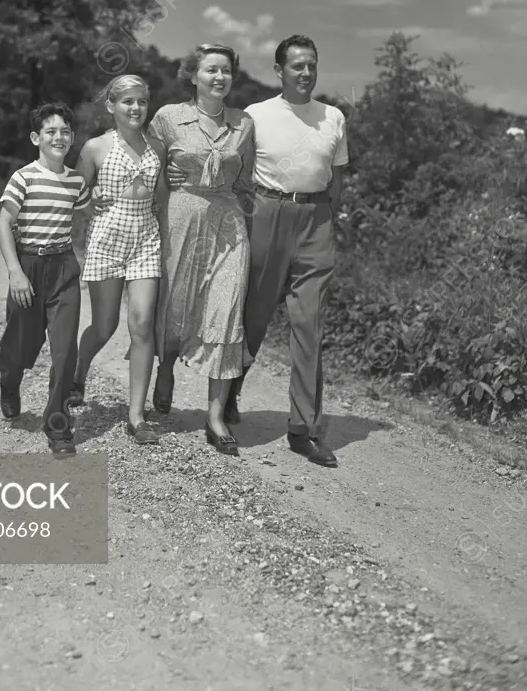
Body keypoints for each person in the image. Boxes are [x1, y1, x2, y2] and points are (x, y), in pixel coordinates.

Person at [167, 35, 347, 467]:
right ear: (280, 71)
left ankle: (303, 429)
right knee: (252, 316)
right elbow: (230, 166)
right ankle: (229, 392)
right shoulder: (256, 116)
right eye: (297, 66)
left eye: (312, 65)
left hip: (316, 219)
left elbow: (337, 179)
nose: (306, 73)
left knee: (310, 326)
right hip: (265, 213)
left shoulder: (334, 117)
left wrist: (324, 220)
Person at [147, 43, 255, 456]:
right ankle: (165, 370)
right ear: (193, 76)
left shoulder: (244, 123)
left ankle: (214, 416)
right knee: (176, 305)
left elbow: (245, 179)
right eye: (211, 70)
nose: (219, 78)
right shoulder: (168, 117)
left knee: (226, 311)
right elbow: (149, 167)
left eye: (225, 71)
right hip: (181, 215)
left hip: (227, 223)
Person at [68, 75, 162, 446]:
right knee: (104, 326)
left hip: (145, 239)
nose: (135, 107)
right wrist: (92, 205)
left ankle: (136, 416)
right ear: (111, 106)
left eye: (141, 101)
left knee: (142, 324)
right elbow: (76, 190)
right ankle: (79, 370)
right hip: (107, 239)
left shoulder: (157, 145)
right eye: (127, 101)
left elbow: (163, 194)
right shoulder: (94, 147)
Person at [0, 101, 91, 457]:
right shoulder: (24, 177)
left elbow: (92, 213)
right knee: (18, 347)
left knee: (65, 351)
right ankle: (9, 383)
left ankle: (58, 424)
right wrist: (15, 271)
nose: (59, 137)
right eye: (51, 131)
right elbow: (4, 223)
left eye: (65, 131)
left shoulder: (77, 182)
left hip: (64, 268)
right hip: (29, 268)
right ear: (36, 137)